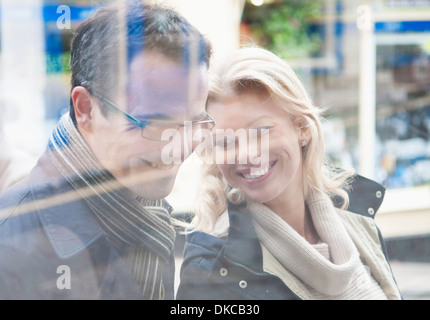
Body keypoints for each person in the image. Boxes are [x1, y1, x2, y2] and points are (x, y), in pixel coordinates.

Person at [0, 0, 212, 299]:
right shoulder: (12, 249)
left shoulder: (144, 211)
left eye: (193, 123)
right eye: (155, 122)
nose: (177, 148)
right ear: (85, 109)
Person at [176, 47, 402, 300]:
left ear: (302, 127)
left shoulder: (355, 218)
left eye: (260, 131)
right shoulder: (211, 268)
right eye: (225, 142)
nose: (247, 155)